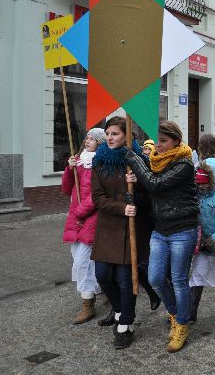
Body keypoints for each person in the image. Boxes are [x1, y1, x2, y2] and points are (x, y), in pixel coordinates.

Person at [126, 121, 199, 353]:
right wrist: (135, 191)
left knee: (178, 279)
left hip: (182, 229)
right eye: (157, 141)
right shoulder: (154, 162)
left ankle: (182, 325)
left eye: (164, 141)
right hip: (160, 229)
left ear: (176, 141)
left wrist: (134, 159)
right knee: (155, 277)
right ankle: (176, 314)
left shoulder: (185, 164)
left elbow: (155, 184)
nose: (158, 145)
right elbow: (150, 190)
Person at [91, 116, 153, 350]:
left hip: (130, 231)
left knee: (126, 280)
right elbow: (97, 197)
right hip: (108, 227)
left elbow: (150, 196)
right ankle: (118, 309)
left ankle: (126, 324)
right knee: (103, 275)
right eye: (108, 134)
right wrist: (121, 207)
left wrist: (137, 184)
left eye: (115, 134)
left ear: (127, 136)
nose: (109, 138)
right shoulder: (99, 162)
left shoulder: (138, 160)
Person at [61, 127, 105, 324]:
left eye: (92, 139)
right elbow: (66, 189)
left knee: (83, 262)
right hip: (76, 218)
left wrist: (81, 211)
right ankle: (102, 289)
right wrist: (69, 169)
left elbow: (97, 195)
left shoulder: (101, 163)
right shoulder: (79, 161)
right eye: (86, 138)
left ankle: (88, 304)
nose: (88, 141)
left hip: (91, 217)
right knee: (78, 257)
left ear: (100, 143)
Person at [187, 159, 215, 322]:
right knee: (197, 274)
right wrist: (199, 240)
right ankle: (192, 310)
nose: (202, 186)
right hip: (202, 244)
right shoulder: (195, 197)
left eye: (205, 183)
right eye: (199, 183)